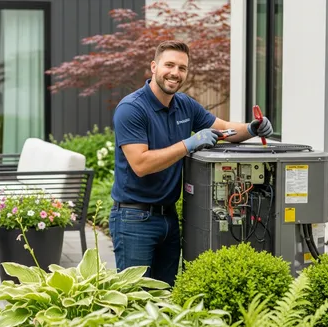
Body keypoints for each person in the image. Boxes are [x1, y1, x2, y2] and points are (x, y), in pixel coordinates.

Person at [109, 40, 274, 286]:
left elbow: (226, 129)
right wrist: (190, 143)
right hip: (134, 218)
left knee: (166, 296)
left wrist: (252, 128)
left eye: (182, 68)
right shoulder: (132, 109)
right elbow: (141, 165)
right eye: (169, 65)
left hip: (169, 217)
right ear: (154, 67)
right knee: (136, 299)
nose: (175, 73)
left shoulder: (184, 105)